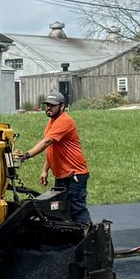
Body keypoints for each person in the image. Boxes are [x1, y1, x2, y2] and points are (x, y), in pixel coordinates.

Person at [15, 92, 90, 227]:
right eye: (47, 105)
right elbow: (52, 149)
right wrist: (45, 170)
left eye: (52, 106)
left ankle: (90, 240)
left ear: (62, 107)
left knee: (76, 209)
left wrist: (26, 155)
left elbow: (47, 142)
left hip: (75, 173)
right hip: (62, 173)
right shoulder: (51, 122)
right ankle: (69, 242)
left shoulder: (65, 121)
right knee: (59, 209)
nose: (49, 108)